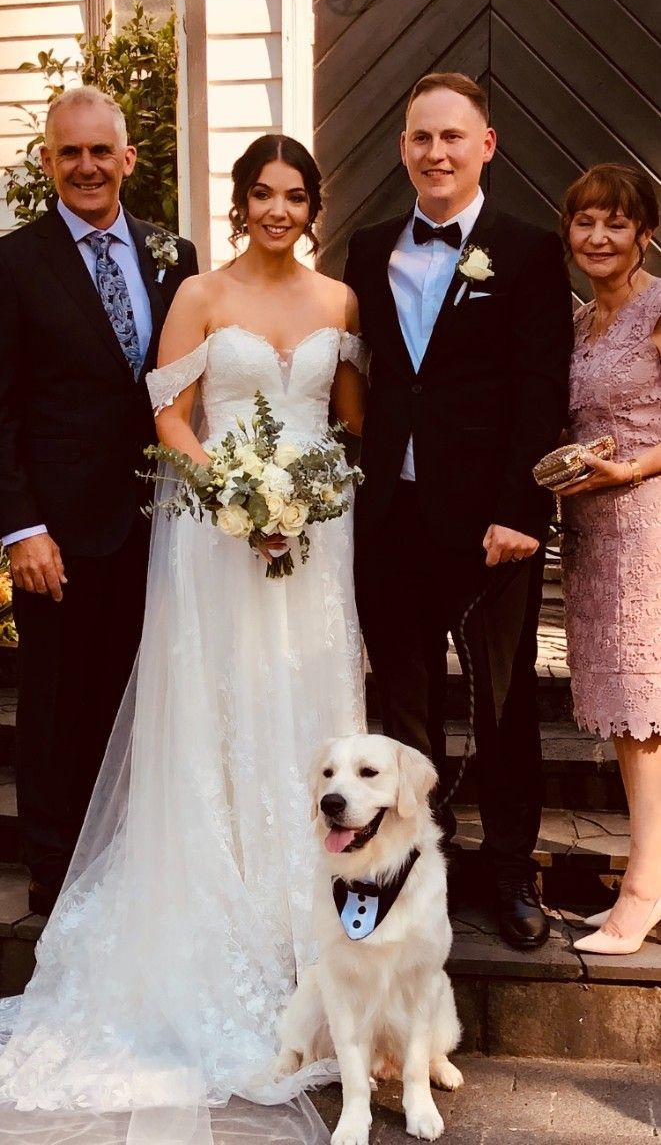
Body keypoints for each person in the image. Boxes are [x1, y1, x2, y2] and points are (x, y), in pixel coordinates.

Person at [0, 133, 367, 1144]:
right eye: (263, 194)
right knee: (221, 708)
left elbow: (345, 420)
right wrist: (237, 494)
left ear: (313, 205)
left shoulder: (340, 303)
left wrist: (307, 497)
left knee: (305, 708)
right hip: (216, 532)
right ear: (241, 200)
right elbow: (166, 413)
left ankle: (309, 915)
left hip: (314, 543)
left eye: (295, 195)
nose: (278, 210)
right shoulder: (199, 291)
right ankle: (221, 905)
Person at [345, 72, 574, 950]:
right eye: (418, 138)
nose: (434, 153)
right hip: (390, 518)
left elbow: (539, 387)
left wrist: (521, 507)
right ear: (402, 148)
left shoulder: (522, 250)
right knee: (400, 707)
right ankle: (409, 871)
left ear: (486, 145)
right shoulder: (367, 248)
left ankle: (513, 873)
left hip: (492, 527)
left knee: (503, 706)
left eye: (451, 137)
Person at [0, 86, 198, 917]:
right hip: (61, 530)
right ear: (48, 162)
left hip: (162, 526)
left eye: (99, 151)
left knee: (145, 700)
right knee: (56, 705)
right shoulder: (12, 263)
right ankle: (56, 872)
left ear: (127, 158)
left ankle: (129, 862)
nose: (86, 166)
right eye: (67, 152)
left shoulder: (173, 257)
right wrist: (21, 527)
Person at [557, 164, 661, 957]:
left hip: (645, 524)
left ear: (642, 233)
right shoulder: (579, 320)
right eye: (585, 222)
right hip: (591, 530)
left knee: (642, 714)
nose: (597, 237)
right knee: (629, 713)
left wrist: (632, 469)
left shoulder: (658, 309)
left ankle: (641, 894)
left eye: (614, 225)